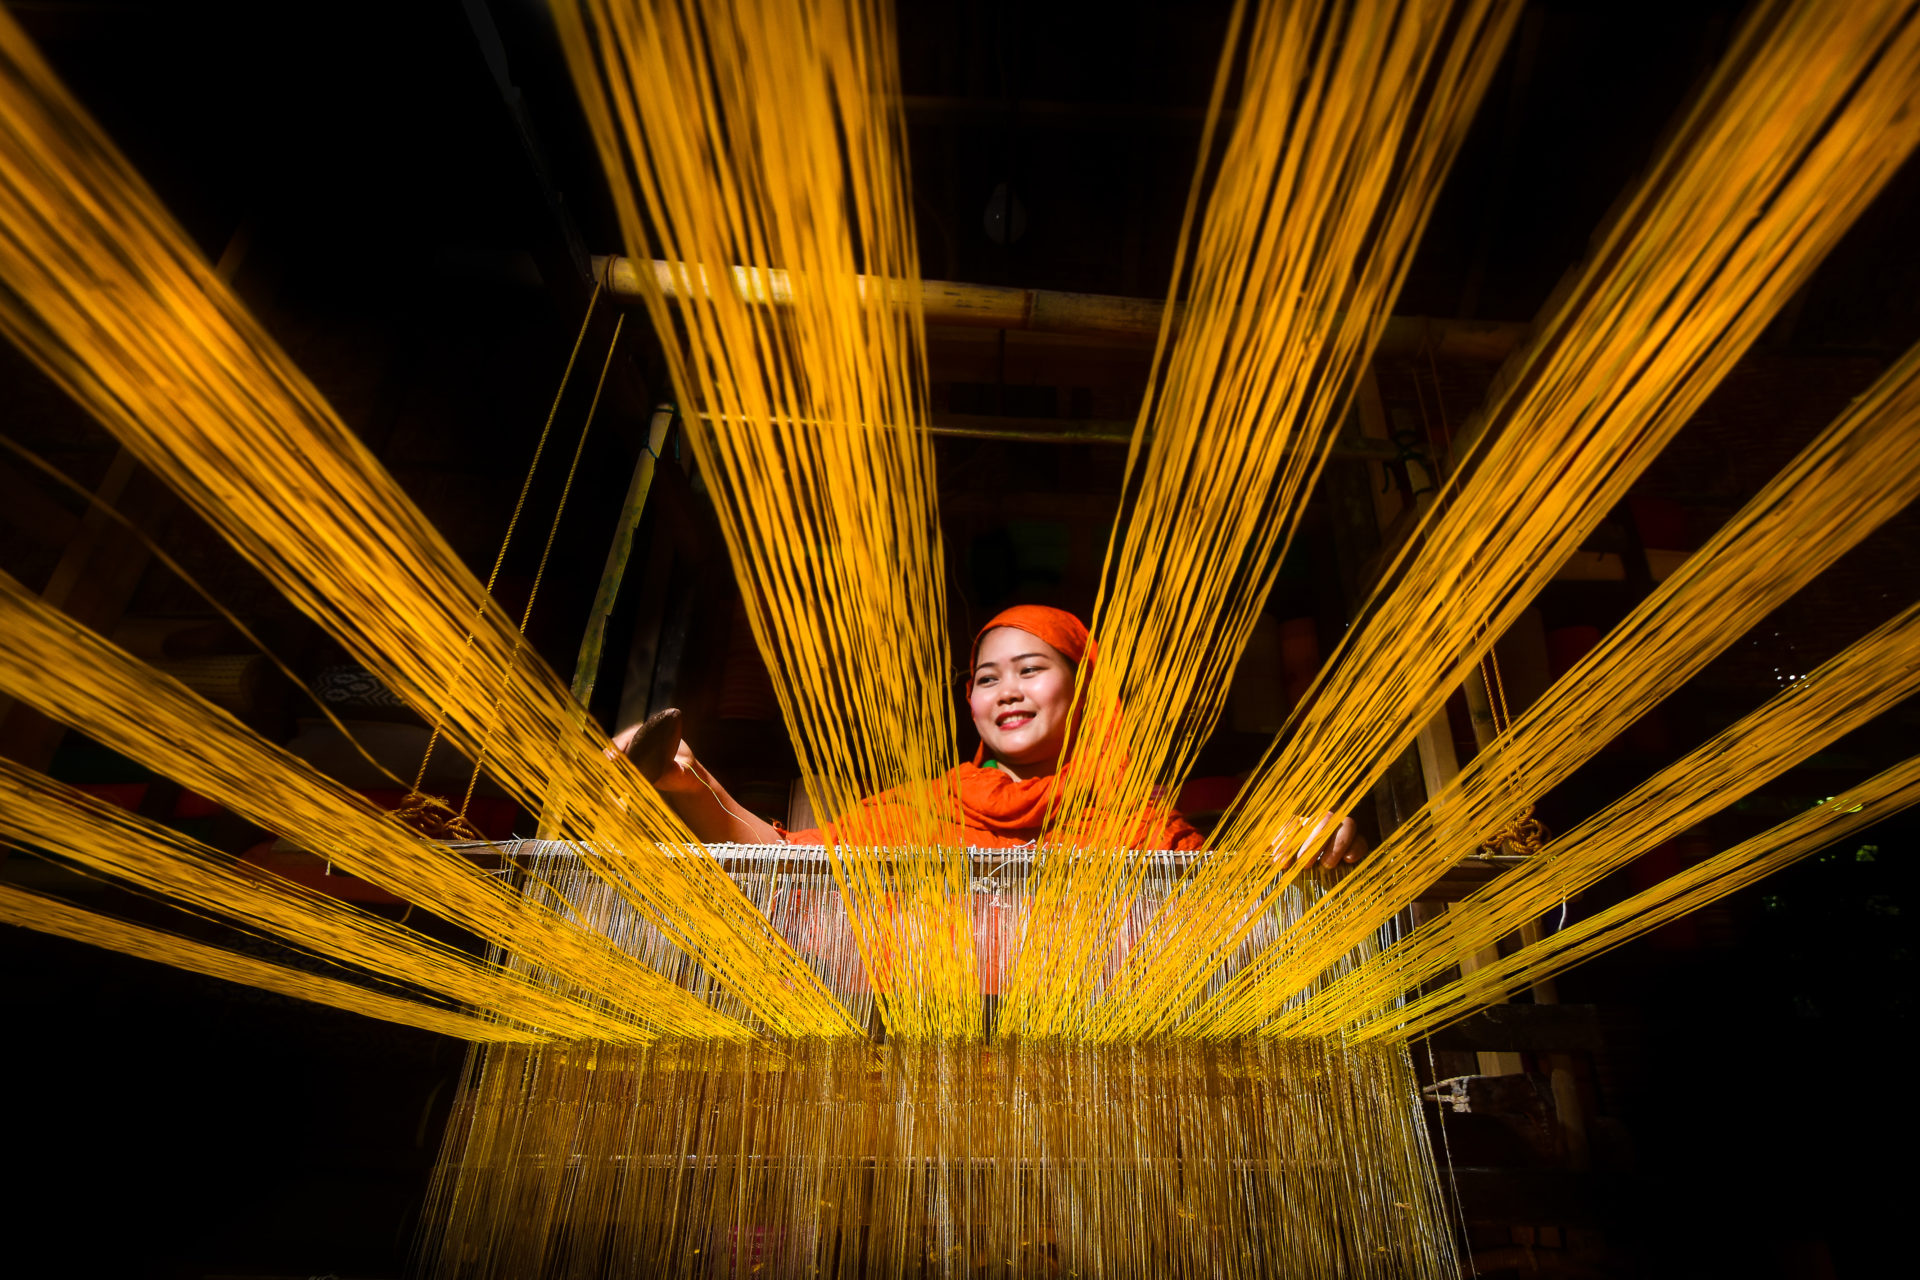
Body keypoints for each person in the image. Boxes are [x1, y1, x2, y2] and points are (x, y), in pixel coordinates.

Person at [611, 604, 1365, 866]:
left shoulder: (1133, 826)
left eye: (1030, 669)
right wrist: (688, 780)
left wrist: (1311, 845)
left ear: (1084, 692)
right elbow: (790, 865)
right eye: (985, 677)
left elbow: (1230, 905)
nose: (1004, 691)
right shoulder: (925, 810)